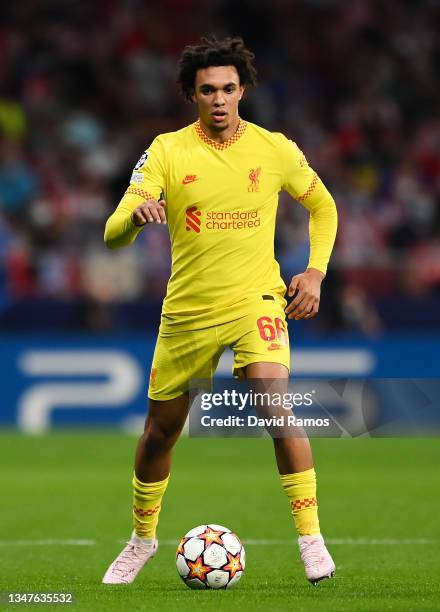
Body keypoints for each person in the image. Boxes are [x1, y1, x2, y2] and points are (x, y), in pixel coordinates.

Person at [102, 36, 338, 586]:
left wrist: (315, 272)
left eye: (229, 88)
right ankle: (141, 539)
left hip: (256, 298)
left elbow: (323, 206)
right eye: (208, 90)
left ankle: (312, 539)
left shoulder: (275, 148)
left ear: (244, 90)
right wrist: (135, 219)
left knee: (274, 404)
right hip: (187, 311)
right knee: (160, 433)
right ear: (191, 94)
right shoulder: (164, 151)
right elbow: (112, 232)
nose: (219, 99)